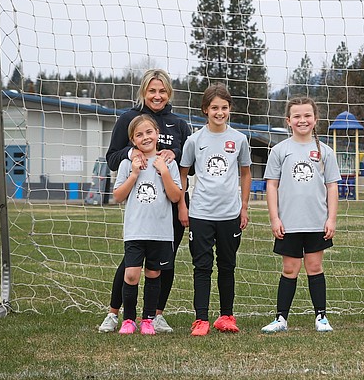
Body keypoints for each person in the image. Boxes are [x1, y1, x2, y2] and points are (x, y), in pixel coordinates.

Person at [98, 69, 192, 334]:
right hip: (141, 206)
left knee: (164, 262)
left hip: (171, 204)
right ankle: (115, 313)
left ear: (169, 93)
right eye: (152, 91)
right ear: (143, 92)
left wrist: (173, 153)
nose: (157, 96)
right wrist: (132, 153)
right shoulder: (129, 118)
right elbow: (112, 157)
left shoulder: (179, 124)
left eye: (162, 91)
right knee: (130, 264)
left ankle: (156, 315)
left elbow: (187, 164)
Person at [260, 96, 340, 334]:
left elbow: (332, 186)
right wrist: (275, 218)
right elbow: (271, 185)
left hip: (316, 221)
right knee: (289, 269)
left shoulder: (325, 151)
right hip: (289, 222)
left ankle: (321, 317)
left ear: (315, 119)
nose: (302, 120)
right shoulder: (279, 150)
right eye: (297, 116)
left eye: (307, 115)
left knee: (314, 267)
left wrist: (331, 218)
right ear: (288, 120)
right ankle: (281, 319)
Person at [179, 85, 252, 336]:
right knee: (202, 266)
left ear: (230, 109)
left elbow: (245, 173)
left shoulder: (240, 139)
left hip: (230, 214)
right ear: (205, 110)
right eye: (214, 108)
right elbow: (183, 174)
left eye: (224, 108)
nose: (219, 112)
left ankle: (226, 316)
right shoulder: (194, 140)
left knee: (227, 266)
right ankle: (201, 319)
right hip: (200, 213)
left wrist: (244, 207)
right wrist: (182, 205)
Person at [111, 114, 183, 334]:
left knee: (154, 274)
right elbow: (117, 196)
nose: (145, 137)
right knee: (131, 274)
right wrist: (133, 175)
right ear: (133, 140)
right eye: (139, 134)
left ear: (157, 134)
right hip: (135, 231)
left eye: (149, 132)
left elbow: (175, 196)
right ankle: (128, 319)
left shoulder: (167, 163)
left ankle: (149, 319)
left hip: (160, 232)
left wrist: (163, 172)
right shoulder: (127, 164)